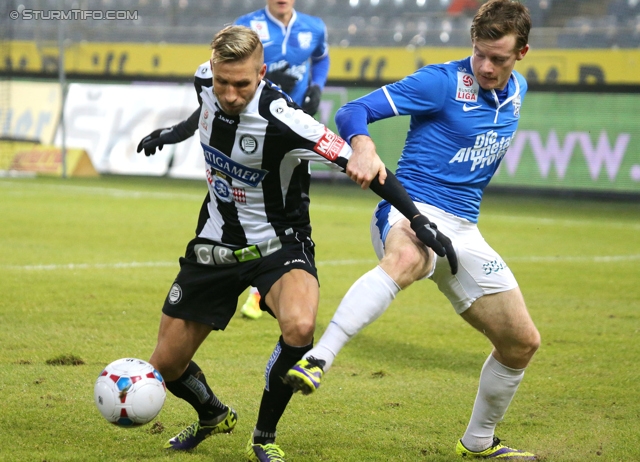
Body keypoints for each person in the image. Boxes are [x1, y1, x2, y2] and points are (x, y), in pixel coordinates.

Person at [145, 25, 456, 462]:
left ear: (262, 73)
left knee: (300, 326)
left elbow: (365, 164)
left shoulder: (287, 120)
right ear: (211, 70)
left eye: (242, 85)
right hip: (214, 244)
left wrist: (418, 219)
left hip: (280, 245)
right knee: (166, 367)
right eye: (222, 82)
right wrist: (171, 134)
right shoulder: (205, 80)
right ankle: (213, 414)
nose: (230, 94)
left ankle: (263, 434)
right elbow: (204, 109)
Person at [284, 1, 541, 459]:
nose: (485, 65)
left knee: (521, 343)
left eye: (498, 58)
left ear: (522, 53)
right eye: (479, 52)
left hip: (464, 228)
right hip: (409, 208)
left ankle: (478, 442)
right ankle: (320, 357)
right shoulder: (441, 82)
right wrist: (362, 146)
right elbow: (352, 111)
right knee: (409, 257)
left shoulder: (518, 90)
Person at [137, 0, 330, 320]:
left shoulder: (314, 27)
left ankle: (271, 287)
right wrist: (174, 132)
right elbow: (221, 93)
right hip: (247, 128)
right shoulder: (247, 25)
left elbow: (321, 59)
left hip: (290, 134)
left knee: (284, 214)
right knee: (242, 205)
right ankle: (250, 286)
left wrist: (317, 87)